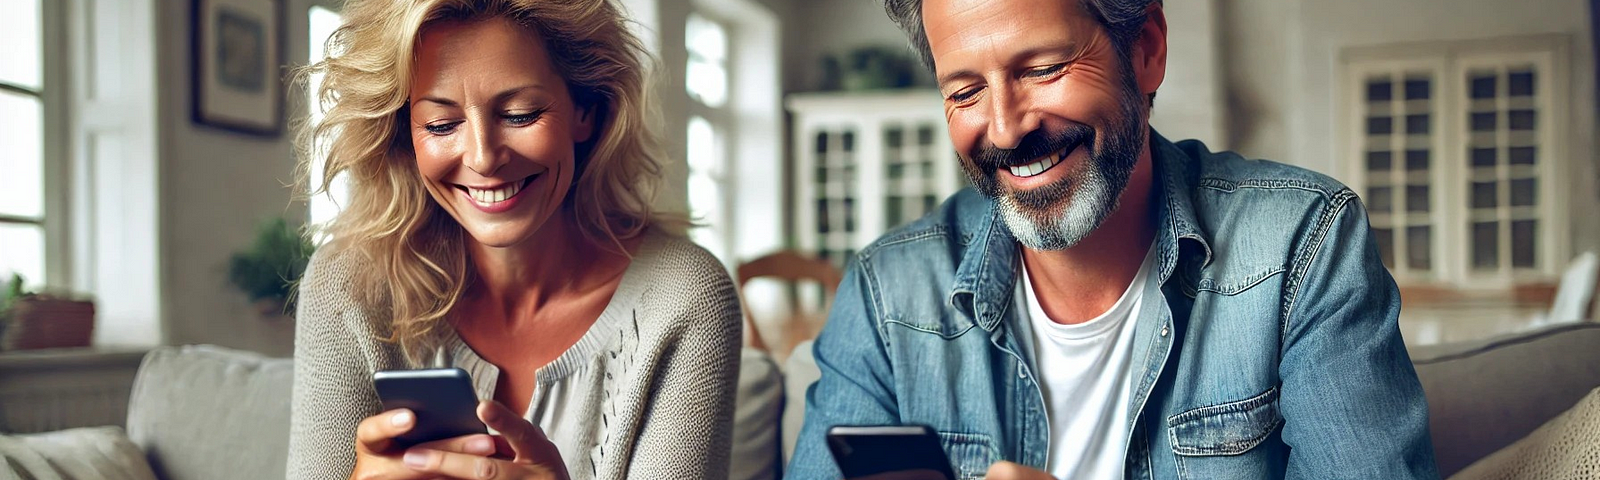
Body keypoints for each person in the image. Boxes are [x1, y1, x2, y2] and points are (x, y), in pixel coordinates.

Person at [788, 0, 1438, 478]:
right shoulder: (884, 295)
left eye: (1042, 68)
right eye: (965, 91)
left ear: (1147, 48)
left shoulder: (1303, 243)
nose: (1006, 130)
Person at [286, 1, 742, 479]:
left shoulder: (685, 298)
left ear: (585, 110)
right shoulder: (349, 285)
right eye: (441, 125)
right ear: (405, 133)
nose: (483, 158)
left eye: (521, 114)